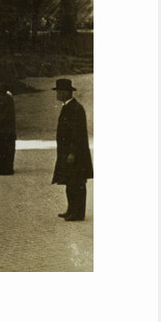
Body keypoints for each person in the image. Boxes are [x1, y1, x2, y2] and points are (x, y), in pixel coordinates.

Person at [51, 78, 93, 221]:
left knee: (77, 183)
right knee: (70, 182)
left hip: (75, 154)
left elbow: (77, 133)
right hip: (67, 152)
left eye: (59, 91)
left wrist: (72, 153)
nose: (57, 94)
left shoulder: (76, 108)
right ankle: (71, 209)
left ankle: (78, 212)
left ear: (66, 92)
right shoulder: (68, 107)